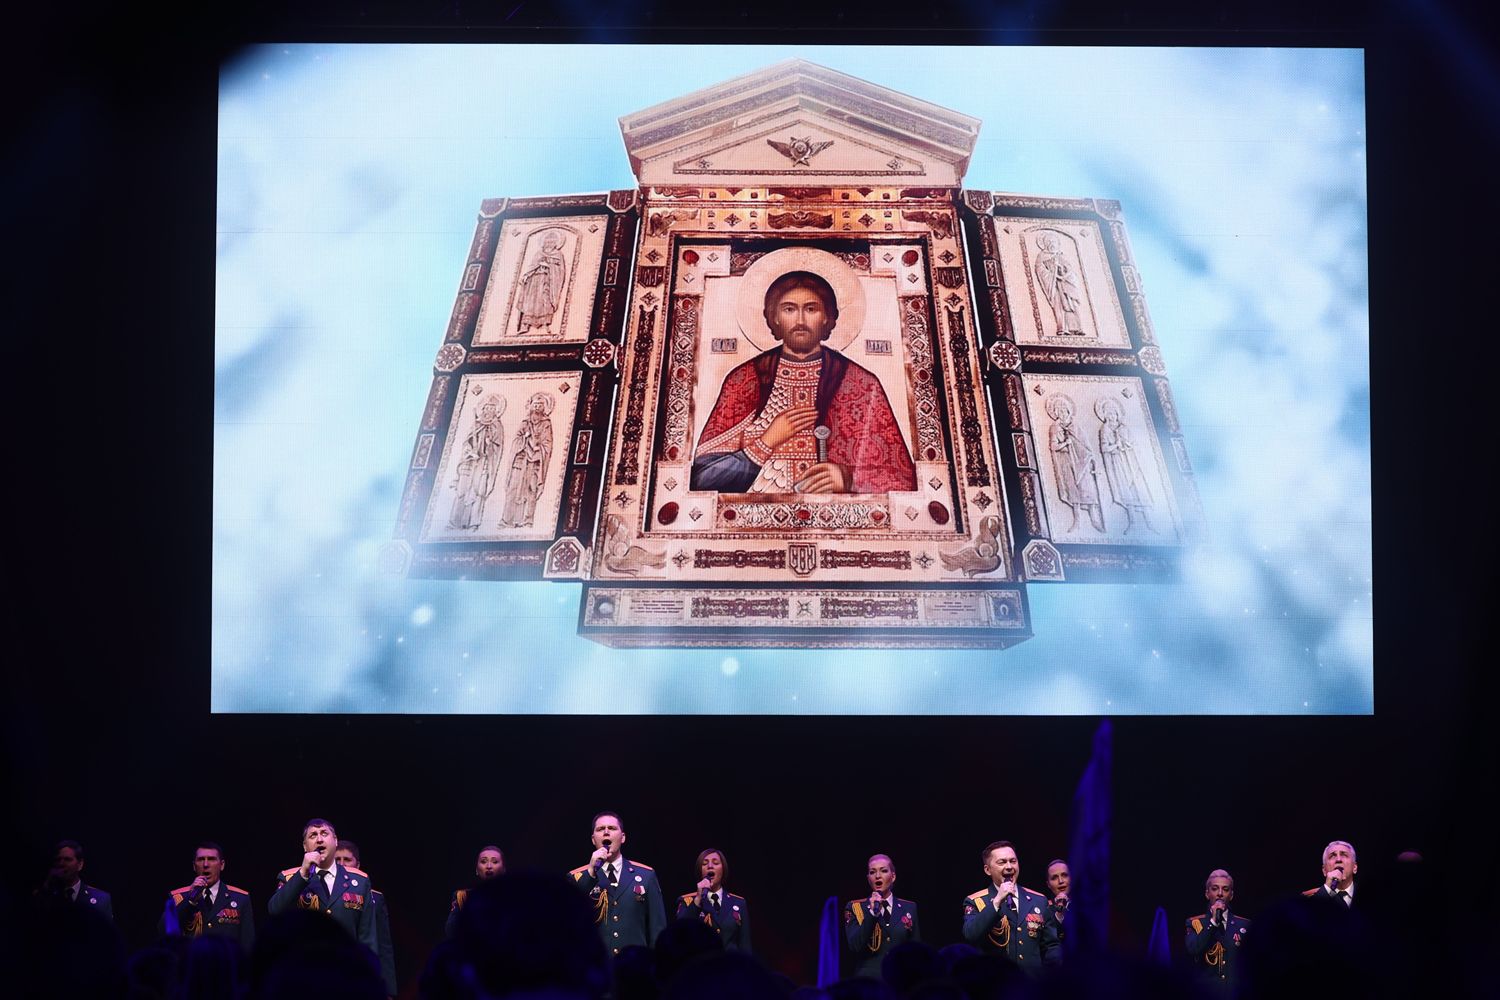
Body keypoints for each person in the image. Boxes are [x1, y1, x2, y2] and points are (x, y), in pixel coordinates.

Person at [691, 269, 916, 494]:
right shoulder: (745, 379)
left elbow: (902, 480)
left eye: (811, 309)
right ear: (775, 317)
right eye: (789, 309)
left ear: (826, 317)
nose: (800, 321)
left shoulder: (860, 382)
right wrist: (766, 442)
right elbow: (702, 480)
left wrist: (847, 478)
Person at [268, 817, 378, 954]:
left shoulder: (360, 881)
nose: (319, 839)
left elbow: (368, 938)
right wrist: (302, 874)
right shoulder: (289, 878)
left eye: (324, 833)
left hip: (346, 964)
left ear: (335, 841)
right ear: (305, 846)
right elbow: (274, 912)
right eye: (313, 835)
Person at [568, 812, 667, 959]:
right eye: (600, 829)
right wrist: (591, 872)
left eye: (612, 828)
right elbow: (569, 921)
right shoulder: (576, 877)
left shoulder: (646, 875)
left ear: (623, 837)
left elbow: (657, 928)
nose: (606, 832)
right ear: (593, 839)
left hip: (635, 965)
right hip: (596, 965)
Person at [961, 841, 1059, 971]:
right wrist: (997, 901)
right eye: (1002, 862)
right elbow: (971, 936)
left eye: (1013, 861)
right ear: (987, 870)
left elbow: (1051, 947)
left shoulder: (1038, 900)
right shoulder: (976, 901)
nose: (1009, 866)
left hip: (1032, 980)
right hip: (997, 980)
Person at [161, 841, 254, 950]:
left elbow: (248, 943)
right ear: (194, 866)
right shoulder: (178, 897)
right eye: (201, 859)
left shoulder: (240, 898)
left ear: (222, 865)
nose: (206, 864)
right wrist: (190, 901)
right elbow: (163, 930)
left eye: (211, 859)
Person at [333, 840, 397, 997]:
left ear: (358, 865)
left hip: (361, 973)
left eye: (347, 859)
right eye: (337, 860)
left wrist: (389, 991)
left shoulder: (375, 898)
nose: (342, 864)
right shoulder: (321, 893)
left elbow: (384, 947)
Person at [843, 853, 920, 979]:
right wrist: (872, 914)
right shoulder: (856, 907)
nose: (878, 876)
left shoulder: (909, 907)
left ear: (893, 876)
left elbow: (916, 949)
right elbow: (855, 946)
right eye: (872, 872)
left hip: (900, 979)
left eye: (883, 871)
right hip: (869, 980)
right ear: (868, 878)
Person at [1185, 869, 1251, 992]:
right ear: (1207, 894)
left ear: (1231, 895)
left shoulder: (1244, 925)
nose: (1220, 893)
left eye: (1225, 889)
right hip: (1206, 993)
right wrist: (1213, 922)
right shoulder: (1195, 923)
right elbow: (1193, 949)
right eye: (1215, 889)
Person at [675, 847, 751, 953]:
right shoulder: (687, 901)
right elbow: (680, 933)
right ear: (700, 870)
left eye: (715, 863)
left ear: (723, 869)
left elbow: (745, 946)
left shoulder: (738, 903)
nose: (710, 866)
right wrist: (698, 899)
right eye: (704, 863)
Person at [36, 839, 113, 922]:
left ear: (80, 865)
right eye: (58, 860)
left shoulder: (100, 899)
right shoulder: (47, 897)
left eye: (67, 859)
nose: (61, 864)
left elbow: (107, 929)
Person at [447, 844, 506, 937]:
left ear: (503, 869)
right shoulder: (463, 896)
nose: (489, 866)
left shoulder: (515, 896)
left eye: (495, 862)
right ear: (477, 870)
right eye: (483, 861)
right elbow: (451, 931)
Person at [1303, 840, 1358, 907]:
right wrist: (1327, 889)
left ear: (1354, 868)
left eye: (1344, 855)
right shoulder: (1308, 898)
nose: (1338, 859)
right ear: (1324, 870)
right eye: (1332, 856)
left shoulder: (1368, 895)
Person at [1044, 859, 1070, 943]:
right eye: (1054, 878)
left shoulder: (1086, 904)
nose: (1061, 881)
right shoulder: (1044, 909)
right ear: (1048, 884)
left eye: (1064, 875)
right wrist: (1059, 913)